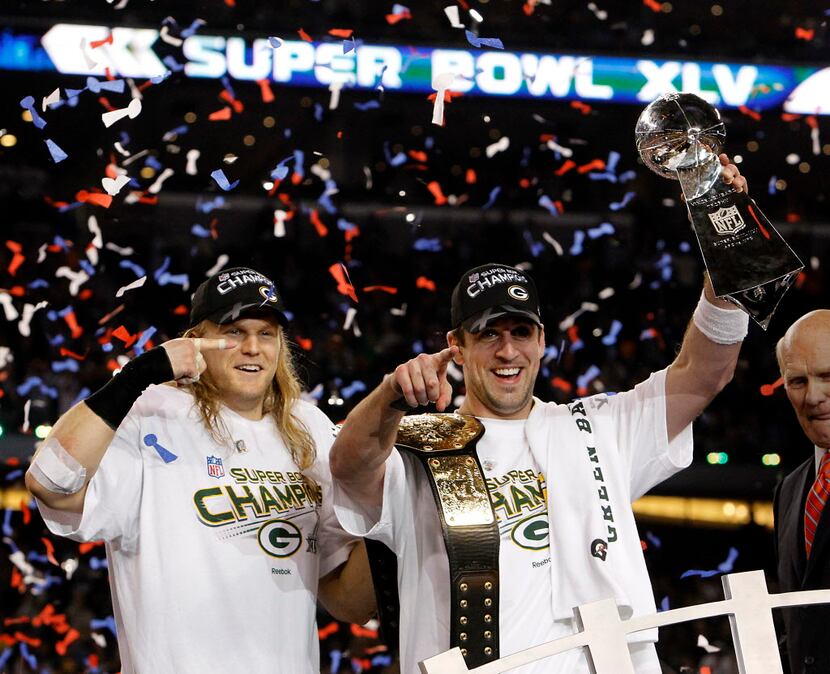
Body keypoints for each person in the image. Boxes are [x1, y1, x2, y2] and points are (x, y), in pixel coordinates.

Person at [329, 158, 750, 673]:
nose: (508, 350)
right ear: (456, 347)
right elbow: (348, 468)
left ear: (542, 341)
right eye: (488, 334)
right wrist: (389, 396)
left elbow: (705, 373)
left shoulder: (598, 427)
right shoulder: (421, 442)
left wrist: (728, 244)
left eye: (520, 332)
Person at [25, 266, 375, 674]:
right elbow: (49, 482)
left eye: (266, 333)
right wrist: (138, 375)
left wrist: (390, 511)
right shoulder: (152, 413)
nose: (252, 347)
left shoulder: (309, 427)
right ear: (193, 341)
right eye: (233, 331)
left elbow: (349, 602)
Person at [773, 310, 830, 674]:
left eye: (828, 376)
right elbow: (799, 624)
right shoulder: (790, 490)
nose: (813, 396)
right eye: (797, 381)